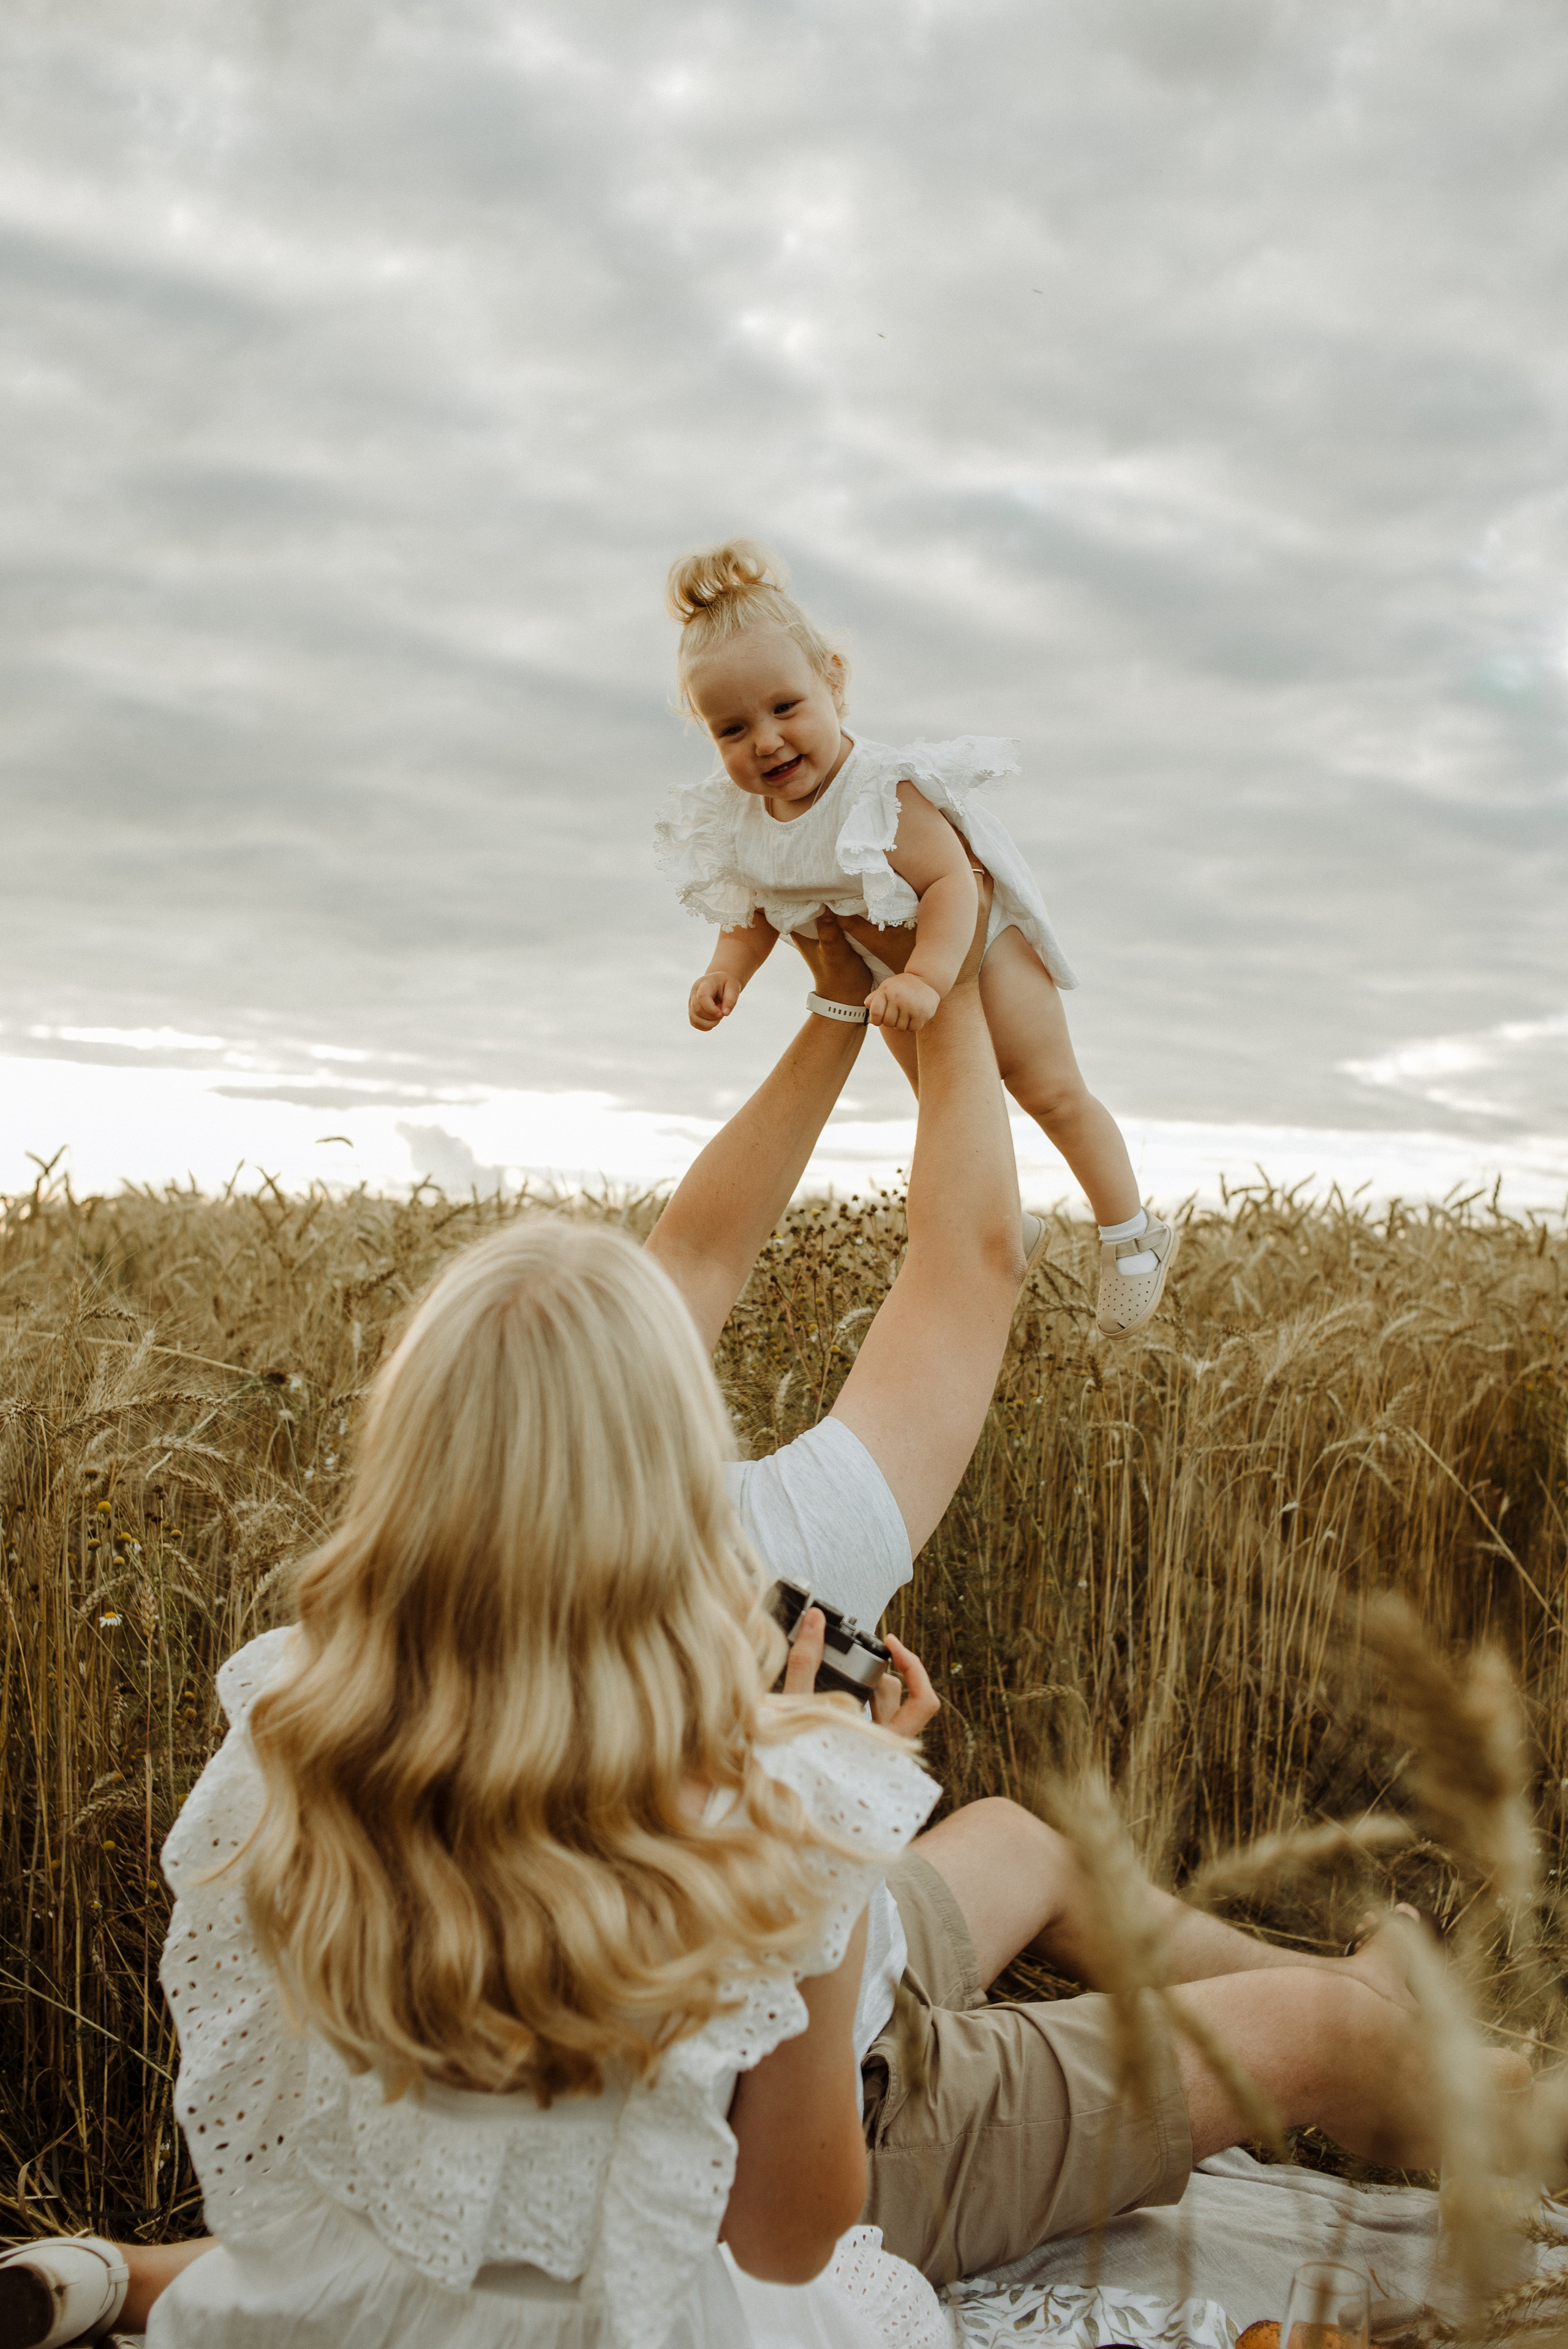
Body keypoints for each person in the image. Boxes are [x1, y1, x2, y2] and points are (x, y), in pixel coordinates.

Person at [652, 537, 1175, 1341]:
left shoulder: (881, 792)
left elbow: (952, 884)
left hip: (976, 945)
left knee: (1047, 1088)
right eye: (732, 728)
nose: (765, 741)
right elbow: (752, 909)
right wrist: (726, 973)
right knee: (948, 1107)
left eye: (785, 708)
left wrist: (933, 977)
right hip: (887, 970)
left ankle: (1131, 1232)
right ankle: (999, 1212)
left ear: (833, 679)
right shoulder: (746, 824)